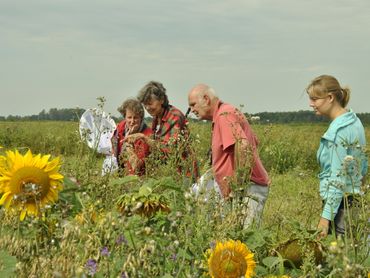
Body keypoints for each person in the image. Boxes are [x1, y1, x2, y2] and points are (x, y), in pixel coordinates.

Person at [188, 84, 270, 227]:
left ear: (206, 99)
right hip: (243, 189)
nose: (192, 110)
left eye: (193, 105)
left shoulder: (224, 115)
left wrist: (237, 185)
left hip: (248, 189)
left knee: (245, 240)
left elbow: (243, 146)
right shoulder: (223, 114)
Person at [306, 75, 367, 238]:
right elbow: (363, 164)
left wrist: (325, 220)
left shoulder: (337, 133)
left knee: (341, 260)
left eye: (314, 99)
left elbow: (337, 180)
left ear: (330, 97)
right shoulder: (355, 121)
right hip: (355, 201)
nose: (311, 104)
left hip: (341, 207)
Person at [132, 81, 198, 179]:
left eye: (150, 103)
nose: (147, 108)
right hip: (169, 172)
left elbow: (169, 149)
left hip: (183, 172)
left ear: (161, 100)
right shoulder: (156, 117)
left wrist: (144, 138)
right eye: (145, 105)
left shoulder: (174, 117)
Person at [111, 98, 152, 176]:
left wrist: (128, 143)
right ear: (125, 117)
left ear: (141, 118)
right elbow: (114, 147)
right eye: (129, 117)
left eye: (136, 117)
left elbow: (137, 167)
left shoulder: (147, 135)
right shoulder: (121, 127)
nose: (132, 121)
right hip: (121, 172)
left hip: (138, 178)